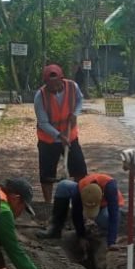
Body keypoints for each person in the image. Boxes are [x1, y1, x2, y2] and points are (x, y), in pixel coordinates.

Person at [34, 62, 87, 203]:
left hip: (70, 136)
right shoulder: (40, 96)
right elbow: (43, 123)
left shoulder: (73, 87)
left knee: (80, 170)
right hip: (48, 140)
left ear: (62, 79)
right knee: (47, 175)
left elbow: (80, 100)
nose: (55, 88)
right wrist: (59, 136)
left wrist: (75, 113)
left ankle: (79, 200)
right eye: (50, 86)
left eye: (57, 84)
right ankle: (48, 204)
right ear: (46, 83)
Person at [38, 172, 122, 251]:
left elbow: (113, 214)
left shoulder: (110, 188)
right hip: (86, 194)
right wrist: (81, 236)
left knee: (106, 218)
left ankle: (104, 232)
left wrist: (111, 242)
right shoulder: (79, 190)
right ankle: (55, 230)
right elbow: (76, 213)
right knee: (63, 185)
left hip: (107, 206)